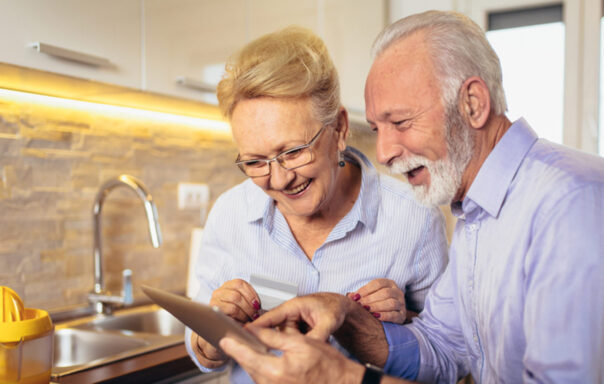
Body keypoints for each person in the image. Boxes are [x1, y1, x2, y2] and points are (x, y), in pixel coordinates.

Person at [217, 10, 604, 383]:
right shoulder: (476, 212)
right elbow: (443, 348)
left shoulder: (571, 202)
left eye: (401, 122)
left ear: (472, 103)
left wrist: (342, 378)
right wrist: (348, 316)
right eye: (377, 128)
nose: (383, 153)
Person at [184, 26, 449, 383]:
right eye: (255, 162)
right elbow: (200, 346)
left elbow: (447, 359)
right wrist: (211, 336)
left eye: (292, 152)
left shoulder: (413, 218)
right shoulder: (230, 214)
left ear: (339, 129)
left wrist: (396, 325)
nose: (278, 180)